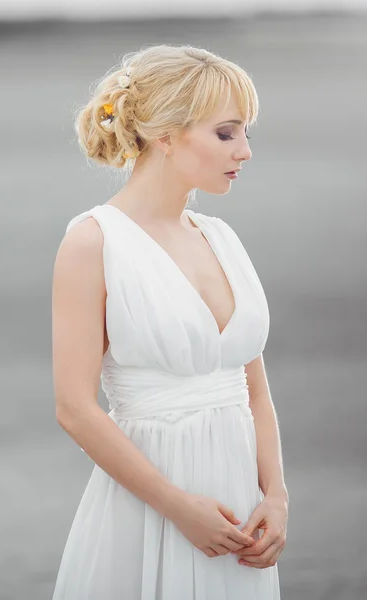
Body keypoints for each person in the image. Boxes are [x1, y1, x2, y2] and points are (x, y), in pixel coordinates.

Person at [51, 44, 289, 599]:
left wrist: (276, 497)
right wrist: (179, 509)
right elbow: (75, 408)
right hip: (153, 502)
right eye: (227, 133)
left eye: (246, 134)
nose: (246, 152)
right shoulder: (93, 241)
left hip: (241, 516)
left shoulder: (222, 238)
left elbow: (254, 389)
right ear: (165, 135)